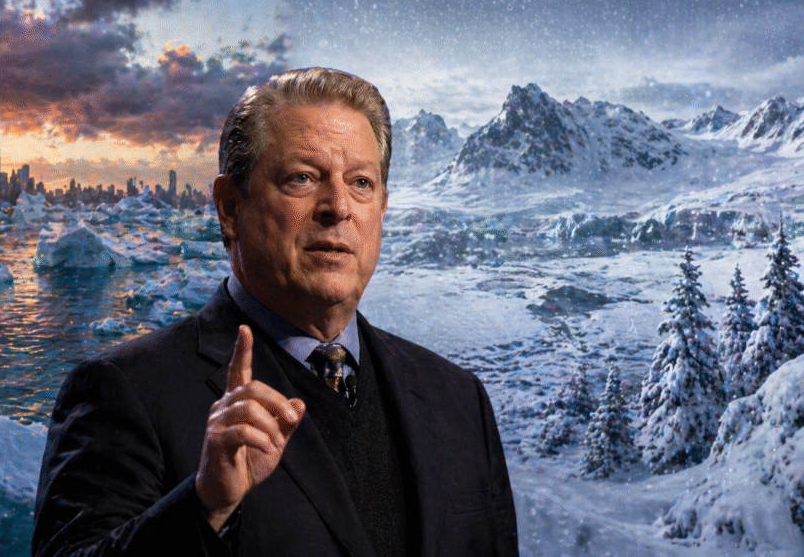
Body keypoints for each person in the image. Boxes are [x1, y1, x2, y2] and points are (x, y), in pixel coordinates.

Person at [33, 67, 518, 557]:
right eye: (303, 178)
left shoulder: (459, 401)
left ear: (382, 209)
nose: (338, 207)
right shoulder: (124, 391)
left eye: (361, 183)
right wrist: (205, 509)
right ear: (229, 207)